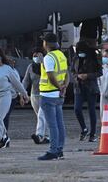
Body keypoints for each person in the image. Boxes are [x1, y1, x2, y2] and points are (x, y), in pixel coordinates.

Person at [0, 47, 29, 149]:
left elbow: (17, 83)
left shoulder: (7, 69)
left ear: (1, 57)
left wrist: (24, 94)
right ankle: (5, 137)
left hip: (4, 95)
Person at [38, 33, 69, 161]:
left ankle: (53, 151)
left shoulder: (49, 57)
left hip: (48, 94)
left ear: (46, 43)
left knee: (52, 125)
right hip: (58, 95)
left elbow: (50, 76)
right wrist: (64, 87)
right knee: (59, 124)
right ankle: (59, 150)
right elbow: (67, 74)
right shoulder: (61, 55)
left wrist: (59, 87)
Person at [72, 40, 102, 142]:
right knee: (77, 109)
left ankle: (92, 134)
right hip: (78, 87)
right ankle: (84, 128)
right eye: (78, 51)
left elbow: (99, 72)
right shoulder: (76, 58)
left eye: (82, 51)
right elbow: (72, 71)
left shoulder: (93, 58)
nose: (80, 53)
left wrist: (88, 75)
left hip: (91, 87)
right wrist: (77, 76)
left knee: (91, 110)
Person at [23, 48, 50, 144]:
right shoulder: (31, 67)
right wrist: (22, 92)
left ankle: (40, 135)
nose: (36, 58)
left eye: (38, 56)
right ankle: (47, 136)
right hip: (34, 95)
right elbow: (26, 80)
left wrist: (43, 62)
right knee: (41, 116)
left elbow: (50, 75)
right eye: (34, 56)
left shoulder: (46, 65)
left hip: (45, 94)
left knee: (41, 115)